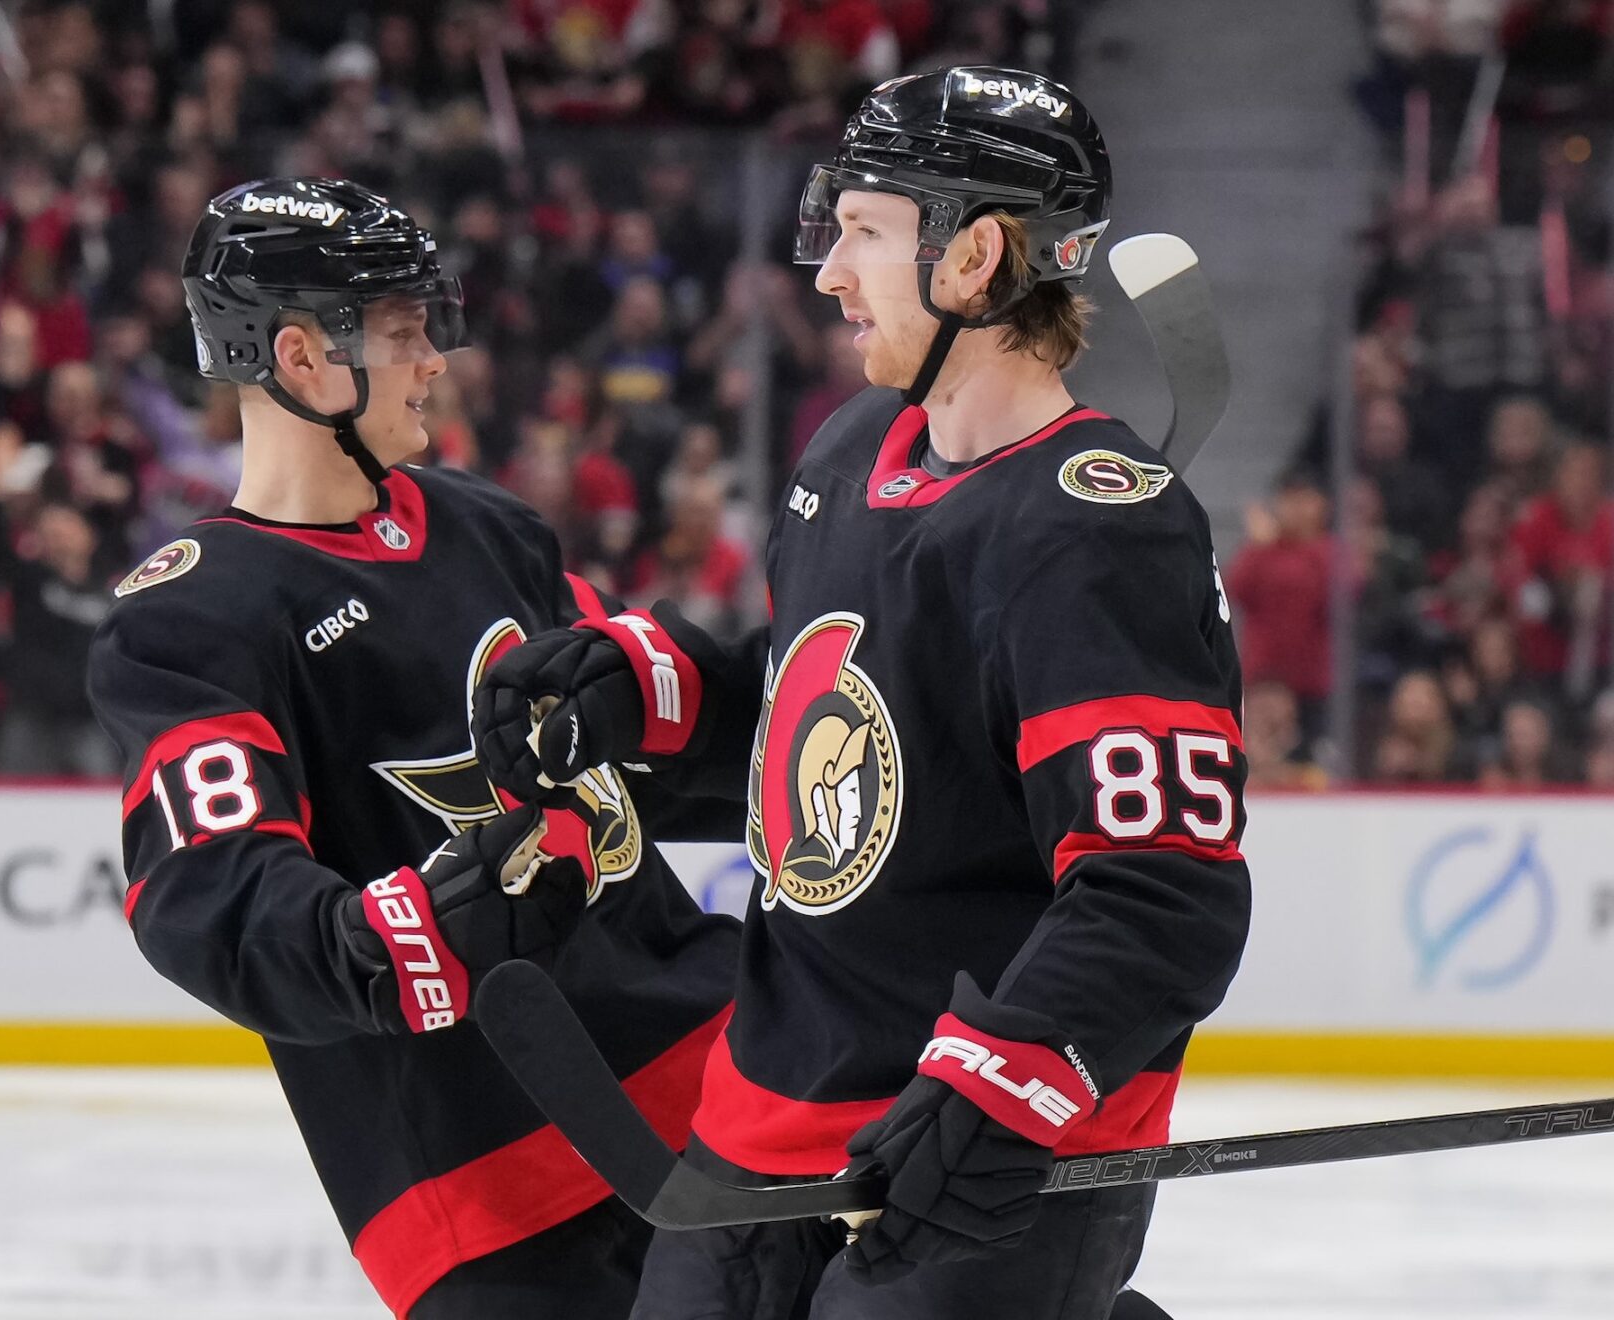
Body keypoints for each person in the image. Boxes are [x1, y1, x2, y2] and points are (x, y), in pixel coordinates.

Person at [471, 69, 1251, 1320]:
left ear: (975, 257)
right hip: (769, 1103)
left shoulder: (1094, 528)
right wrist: (652, 693)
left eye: (865, 232)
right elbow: (839, 740)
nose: (829, 272)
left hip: (982, 1143)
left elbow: (1163, 887)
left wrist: (1009, 1082)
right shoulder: (853, 447)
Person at [85, 178, 738, 1320]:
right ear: (300, 358)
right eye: (401, 332)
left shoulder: (490, 526)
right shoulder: (193, 617)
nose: (435, 358)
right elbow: (210, 892)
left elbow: (633, 761)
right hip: (487, 1188)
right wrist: (390, 943)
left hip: (718, 1086)